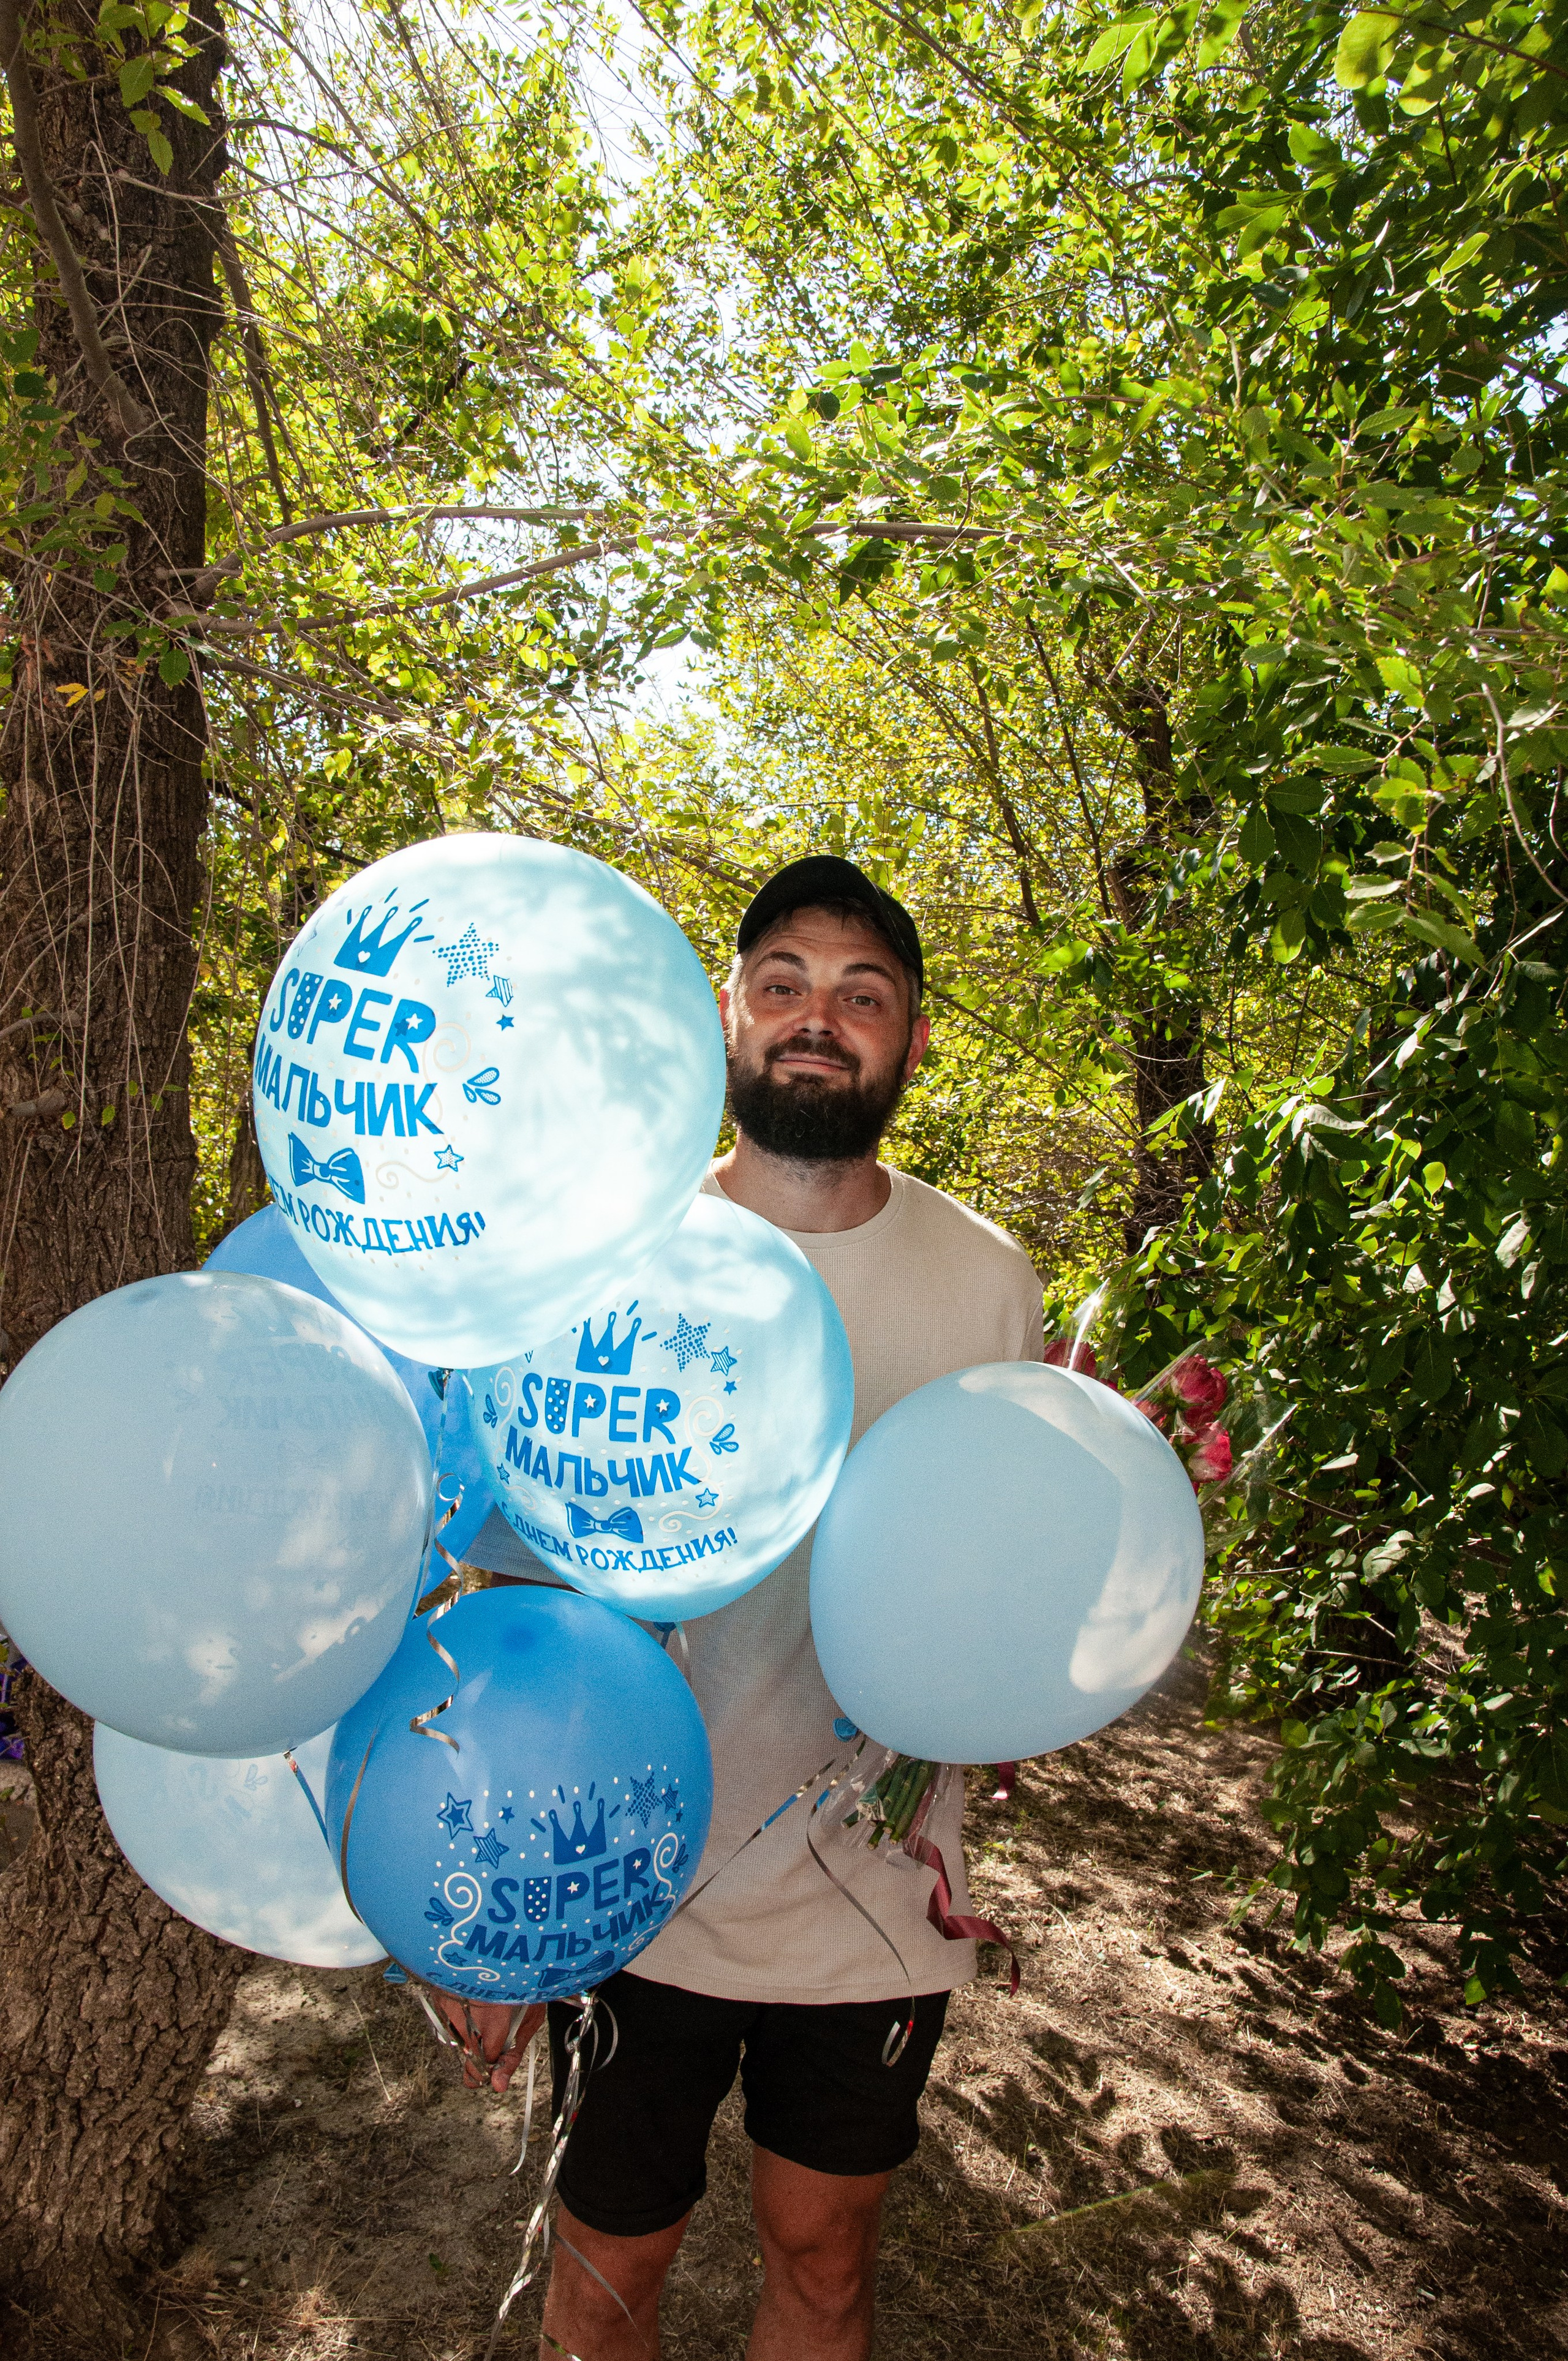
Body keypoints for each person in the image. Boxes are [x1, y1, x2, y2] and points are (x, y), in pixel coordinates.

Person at [445, 857, 1043, 2360]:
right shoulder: (612, 1262)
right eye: (779, 982)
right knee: (608, 2267)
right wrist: (501, 1906)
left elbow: (1006, 1566)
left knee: (825, 2259)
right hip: (629, 1872)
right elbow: (515, 1592)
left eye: (861, 995)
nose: (813, 1020)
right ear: (727, 1013)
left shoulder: (986, 1282)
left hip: (869, 1899)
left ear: (911, 1041)